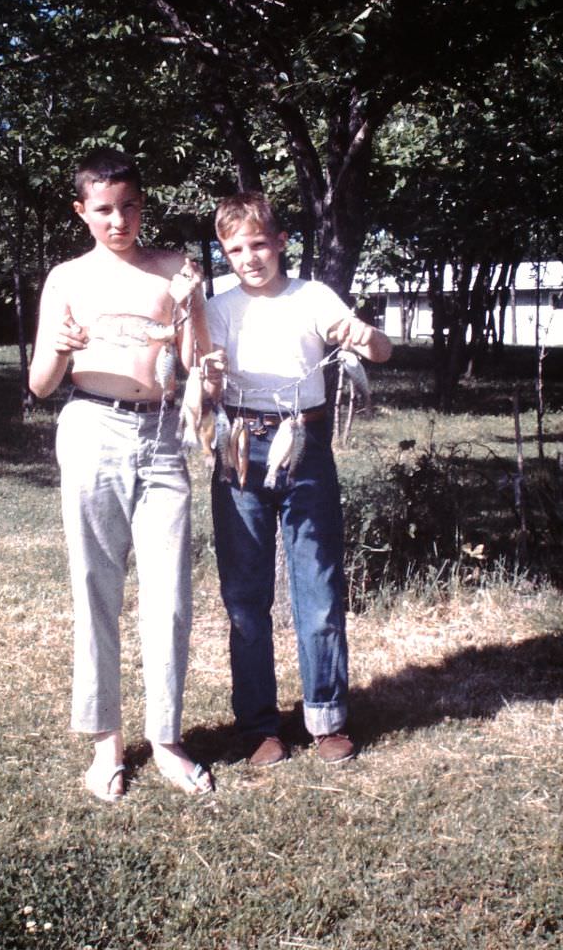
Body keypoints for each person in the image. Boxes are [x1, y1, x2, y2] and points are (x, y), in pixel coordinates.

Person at [29, 147, 219, 801]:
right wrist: (57, 349)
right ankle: (106, 743)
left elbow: (195, 363)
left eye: (130, 206)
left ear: (144, 205)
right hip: (91, 432)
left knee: (169, 596)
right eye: (104, 210)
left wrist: (191, 309)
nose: (119, 220)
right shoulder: (66, 279)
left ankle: (166, 739)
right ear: (82, 211)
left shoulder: (174, 269)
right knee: (95, 588)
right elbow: (41, 384)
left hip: (164, 437)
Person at [207, 191, 392, 767]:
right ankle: (259, 725)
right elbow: (204, 379)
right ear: (225, 253)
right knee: (245, 594)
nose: (249, 257)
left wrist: (364, 337)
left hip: (305, 445)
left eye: (259, 244)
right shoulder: (215, 305)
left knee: (318, 588)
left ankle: (327, 715)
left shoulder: (312, 296)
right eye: (236, 249)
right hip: (239, 446)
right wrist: (205, 374)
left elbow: (380, 351)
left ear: (281, 242)